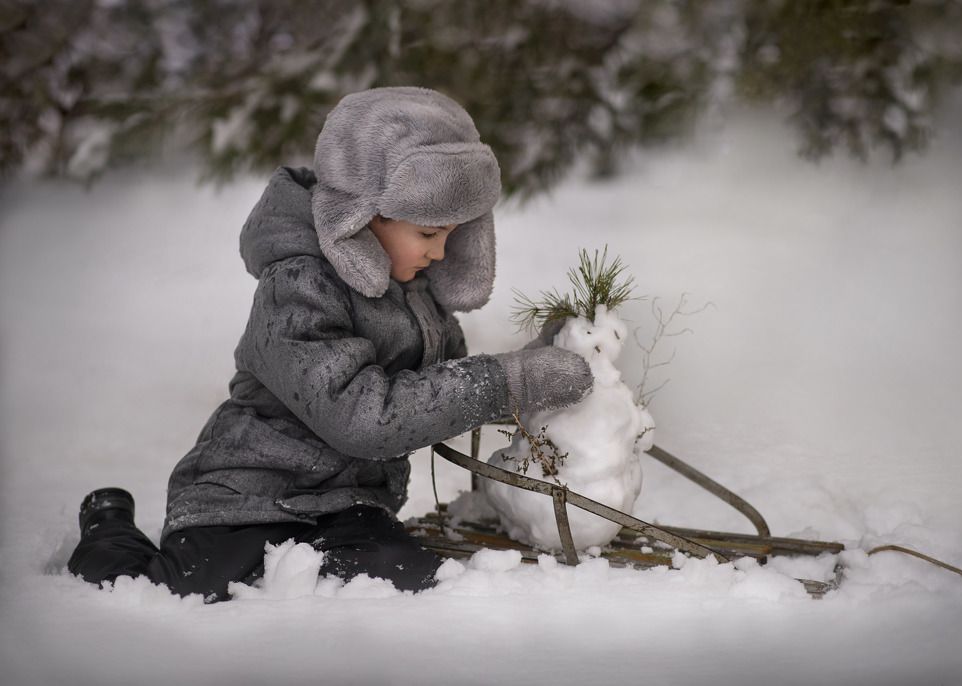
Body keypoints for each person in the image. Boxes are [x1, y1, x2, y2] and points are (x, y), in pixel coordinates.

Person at [67, 87, 593, 602]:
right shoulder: (298, 286)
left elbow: (445, 390)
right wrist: (510, 381)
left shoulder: (417, 296)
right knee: (171, 590)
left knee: (400, 577)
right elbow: (363, 418)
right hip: (246, 497)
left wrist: (538, 362)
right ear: (365, 216)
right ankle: (109, 525)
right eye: (430, 234)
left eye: (454, 234)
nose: (441, 252)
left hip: (346, 505)